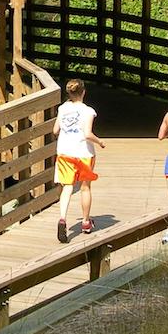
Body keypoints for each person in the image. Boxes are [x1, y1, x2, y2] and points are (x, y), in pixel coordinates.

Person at [52, 78, 106, 243]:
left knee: (67, 187)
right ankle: (85, 222)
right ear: (83, 92)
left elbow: (55, 130)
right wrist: (100, 142)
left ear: (69, 92)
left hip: (65, 152)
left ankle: (62, 219)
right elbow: (87, 134)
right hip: (84, 153)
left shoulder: (63, 108)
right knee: (85, 188)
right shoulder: (88, 111)